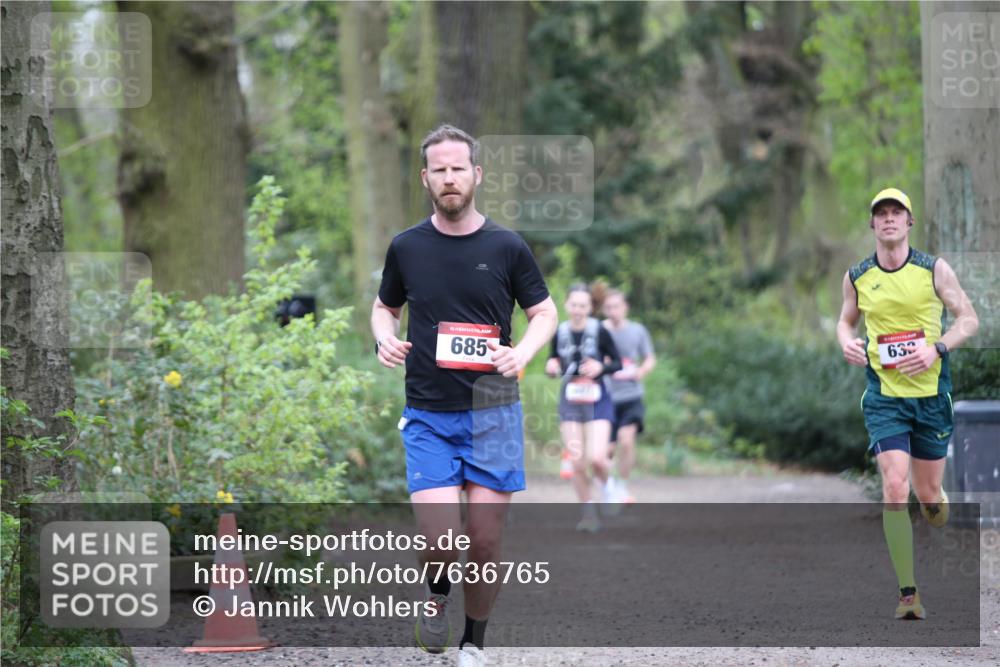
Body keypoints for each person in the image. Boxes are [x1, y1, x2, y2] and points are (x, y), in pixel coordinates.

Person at [372, 125, 557, 666]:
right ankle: (436, 596)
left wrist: (521, 353)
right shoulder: (407, 247)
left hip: (493, 413)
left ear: (476, 175)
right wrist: (384, 337)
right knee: (440, 540)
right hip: (428, 414)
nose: (449, 178)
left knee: (485, 543)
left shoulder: (507, 247)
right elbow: (385, 306)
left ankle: (473, 644)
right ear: (425, 178)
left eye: (459, 168)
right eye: (439, 170)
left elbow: (544, 313)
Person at [836, 187, 978, 620]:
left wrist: (936, 349)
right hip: (884, 398)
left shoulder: (934, 269)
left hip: (932, 396)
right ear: (873, 224)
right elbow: (845, 320)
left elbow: (968, 319)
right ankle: (908, 595)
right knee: (896, 488)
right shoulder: (858, 276)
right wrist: (847, 342)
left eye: (897, 212)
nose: (890, 219)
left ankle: (936, 501)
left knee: (928, 494)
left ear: (909, 221)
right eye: (881, 214)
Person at [545, 284, 622, 532]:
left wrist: (602, 368)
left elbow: (618, 363)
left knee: (597, 457)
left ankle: (609, 487)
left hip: (597, 398)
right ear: (567, 305)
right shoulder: (560, 332)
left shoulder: (599, 331)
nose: (578, 309)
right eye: (574, 304)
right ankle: (588, 514)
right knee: (577, 462)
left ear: (590, 307)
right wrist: (551, 366)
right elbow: (553, 359)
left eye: (583, 305)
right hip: (571, 399)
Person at [602, 289, 656, 504]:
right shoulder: (599, 331)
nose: (613, 311)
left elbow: (650, 358)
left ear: (625, 307)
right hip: (606, 396)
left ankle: (623, 486)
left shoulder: (638, 331)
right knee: (607, 450)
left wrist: (641, 372)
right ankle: (608, 487)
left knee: (627, 440)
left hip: (631, 395)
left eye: (617, 306)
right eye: (609, 307)